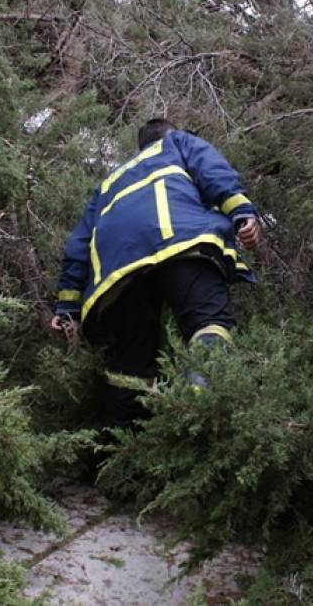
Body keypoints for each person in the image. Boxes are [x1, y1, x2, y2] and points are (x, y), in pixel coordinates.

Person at [49, 118, 262, 426]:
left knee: (130, 361)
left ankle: (125, 450)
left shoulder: (108, 183)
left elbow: (78, 246)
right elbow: (211, 169)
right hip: (180, 241)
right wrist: (241, 211)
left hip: (118, 272)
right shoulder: (178, 143)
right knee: (209, 322)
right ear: (171, 133)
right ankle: (199, 410)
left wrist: (67, 306)